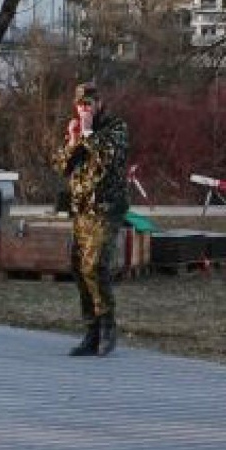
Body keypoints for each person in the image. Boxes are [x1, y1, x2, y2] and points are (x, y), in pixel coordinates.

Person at [53, 79, 130, 357]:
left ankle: (108, 325)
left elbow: (108, 160)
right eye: (80, 105)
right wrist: (74, 141)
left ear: (99, 104)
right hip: (82, 209)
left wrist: (86, 133)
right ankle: (91, 330)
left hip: (107, 209)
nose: (84, 109)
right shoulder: (81, 131)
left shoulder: (116, 129)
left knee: (95, 266)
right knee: (79, 268)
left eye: (89, 104)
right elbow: (61, 166)